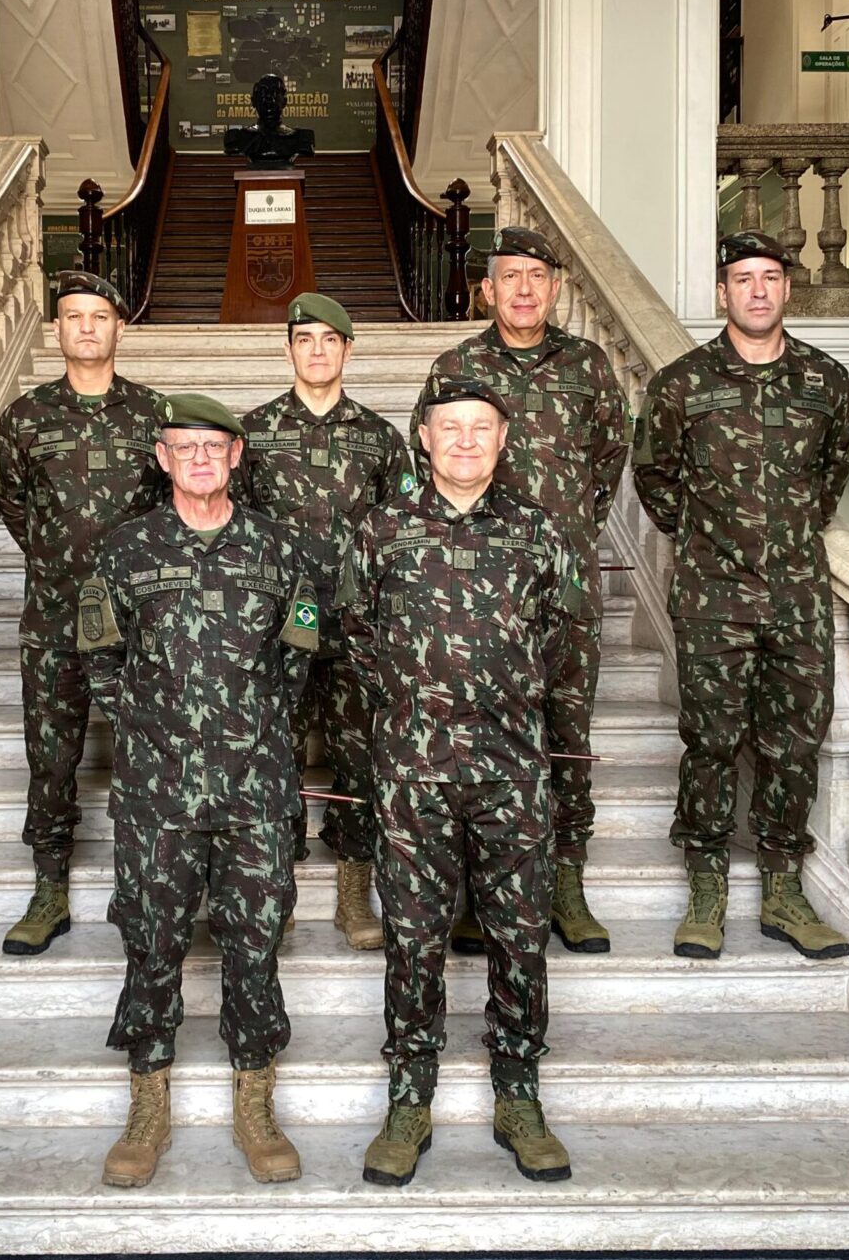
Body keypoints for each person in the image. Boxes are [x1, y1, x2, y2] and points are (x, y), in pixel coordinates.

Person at [340, 377, 582, 1188]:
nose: (467, 441)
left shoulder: (538, 533)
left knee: (519, 936)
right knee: (413, 939)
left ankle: (519, 1094)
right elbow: (356, 635)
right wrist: (415, 710)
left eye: (482, 428)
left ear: (503, 441)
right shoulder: (381, 530)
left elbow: (562, 639)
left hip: (512, 769)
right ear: (424, 437)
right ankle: (410, 1099)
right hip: (414, 770)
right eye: (451, 428)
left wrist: (503, 703)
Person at [78, 393, 320, 1188]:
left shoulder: (282, 549)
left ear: (238, 456)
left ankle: (256, 1103)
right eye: (185, 448)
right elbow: (100, 658)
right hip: (157, 794)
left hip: (255, 790)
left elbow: (298, 658)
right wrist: (152, 731)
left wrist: (250, 730)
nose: (201, 460)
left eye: (215, 447)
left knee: (255, 944)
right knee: (152, 943)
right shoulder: (123, 551)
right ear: (162, 457)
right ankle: (148, 1104)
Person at [632, 230, 849, 962]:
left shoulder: (827, 382)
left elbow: (831, 477)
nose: (757, 290)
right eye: (742, 278)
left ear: (787, 289)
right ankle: (706, 890)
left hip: (796, 596)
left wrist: (783, 541)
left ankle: (785, 892)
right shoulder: (681, 383)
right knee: (711, 741)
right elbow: (654, 475)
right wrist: (708, 538)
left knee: (795, 744)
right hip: (712, 597)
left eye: (769, 277)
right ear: (721, 293)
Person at [412, 227, 627, 956]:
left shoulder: (589, 366)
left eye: (537, 275)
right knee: (477, 737)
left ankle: (565, 881)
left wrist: (565, 537)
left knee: (566, 736)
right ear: (488, 290)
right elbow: (431, 461)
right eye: (510, 277)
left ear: (555, 286)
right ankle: (477, 888)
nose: (525, 289)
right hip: (471, 593)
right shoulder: (457, 365)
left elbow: (610, 460)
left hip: (563, 588)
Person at [0, 271, 165, 956]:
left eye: (99, 316)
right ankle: (49, 887)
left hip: (139, 624)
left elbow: (170, 510)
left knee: (147, 756)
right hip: (54, 620)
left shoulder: (155, 415)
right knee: (51, 756)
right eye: (73, 316)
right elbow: (12, 503)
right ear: (56, 331)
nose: (87, 327)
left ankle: (140, 880)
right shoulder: (26, 418)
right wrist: (54, 558)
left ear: (119, 328)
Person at [238, 292, 413, 949]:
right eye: (304, 339)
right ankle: (275, 892)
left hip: (354, 632)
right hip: (276, 631)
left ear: (346, 349)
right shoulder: (251, 434)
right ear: (288, 349)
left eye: (329, 340)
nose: (316, 350)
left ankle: (353, 895)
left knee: (359, 762)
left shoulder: (378, 437)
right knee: (272, 760)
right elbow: (234, 530)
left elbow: (401, 535)